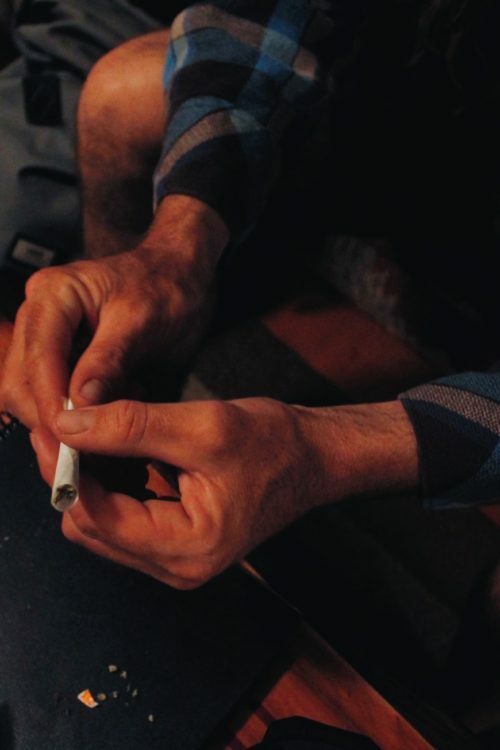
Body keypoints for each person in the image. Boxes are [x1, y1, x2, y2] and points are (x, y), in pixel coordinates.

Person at [1, 0, 500, 590]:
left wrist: (323, 451)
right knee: (118, 90)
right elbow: (267, 18)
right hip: (423, 112)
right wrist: (177, 247)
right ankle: (150, 373)